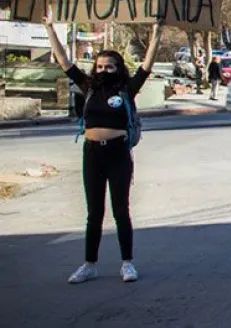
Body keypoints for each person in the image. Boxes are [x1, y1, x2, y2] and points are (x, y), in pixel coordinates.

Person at [43, 15, 164, 284]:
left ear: (118, 68)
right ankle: (90, 264)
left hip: (118, 154)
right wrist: (49, 28)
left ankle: (127, 263)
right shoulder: (88, 87)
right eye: (99, 66)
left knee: (121, 210)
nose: (104, 70)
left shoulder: (126, 89)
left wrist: (157, 32)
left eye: (109, 66)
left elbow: (147, 65)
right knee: (94, 212)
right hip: (92, 154)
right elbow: (64, 61)